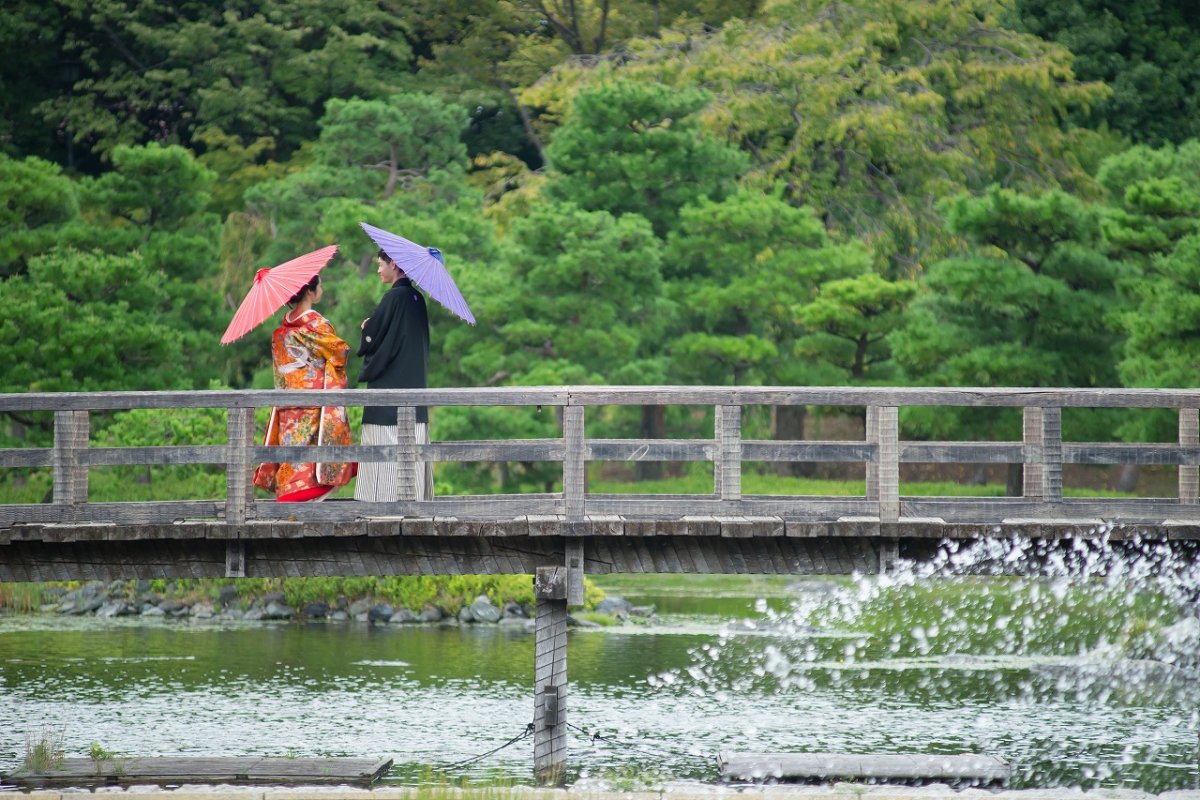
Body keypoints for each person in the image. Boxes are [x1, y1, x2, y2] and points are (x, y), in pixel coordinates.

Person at [252, 274, 355, 502]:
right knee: (313, 456)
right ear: (310, 291)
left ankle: (290, 498)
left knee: (292, 452)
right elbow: (339, 352)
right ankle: (306, 499)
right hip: (313, 402)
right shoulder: (317, 325)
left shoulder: (282, 331)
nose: (322, 288)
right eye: (320, 285)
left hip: (288, 403)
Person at [354, 249, 433, 501]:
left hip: (389, 392)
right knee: (413, 450)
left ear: (394, 264)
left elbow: (373, 340)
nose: (378, 269)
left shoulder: (393, 298)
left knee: (386, 455)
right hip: (415, 390)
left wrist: (367, 328)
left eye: (381, 264)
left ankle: (382, 505)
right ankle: (415, 500)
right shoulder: (417, 299)